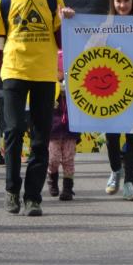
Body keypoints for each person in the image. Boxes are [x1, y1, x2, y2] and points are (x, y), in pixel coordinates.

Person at [0, 0, 74, 216]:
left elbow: (61, 41)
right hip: (13, 72)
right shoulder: (4, 2)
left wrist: (66, 22)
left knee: (41, 137)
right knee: (12, 132)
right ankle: (12, 191)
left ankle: (33, 197)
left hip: (44, 75)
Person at [104, 0, 133, 201]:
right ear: (112, 2)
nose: (122, 5)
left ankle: (129, 183)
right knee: (111, 135)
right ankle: (115, 171)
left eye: (126, 0)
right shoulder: (105, 25)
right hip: (111, 89)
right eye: (118, 1)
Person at [46, 60, 79, 201]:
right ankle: (52, 178)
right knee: (53, 159)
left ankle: (68, 188)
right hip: (53, 130)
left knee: (68, 159)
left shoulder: (74, 86)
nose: (61, 73)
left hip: (70, 130)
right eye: (58, 70)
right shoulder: (48, 87)